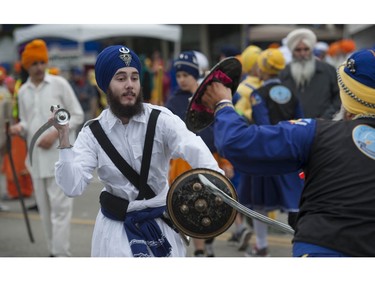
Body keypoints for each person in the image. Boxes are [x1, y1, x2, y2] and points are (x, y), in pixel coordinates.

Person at [52, 45, 224, 257]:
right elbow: (72, 186)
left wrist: (218, 185)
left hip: (162, 227)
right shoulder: (92, 133)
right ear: (105, 85)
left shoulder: (162, 119)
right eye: (121, 78)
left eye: (134, 77)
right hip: (115, 233)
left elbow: (194, 147)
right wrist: (63, 138)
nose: (130, 85)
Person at [201, 48, 375, 257]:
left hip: (323, 250)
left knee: (260, 206)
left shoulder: (317, 133)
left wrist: (223, 104)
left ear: (347, 94)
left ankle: (261, 245)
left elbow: (238, 142)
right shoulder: (297, 103)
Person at [9, 39, 84, 257]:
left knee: (60, 211)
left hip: (59, 158)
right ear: (26, 66)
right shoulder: (23, 91)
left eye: (42, 62)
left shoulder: (59, 84)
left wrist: (55, 134)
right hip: (35, 161)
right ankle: (53, 252)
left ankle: (60, 255)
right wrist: (18, 128)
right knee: (45, 211)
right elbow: (27, 121)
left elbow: (77, 115)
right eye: (34, 63)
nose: (39, 67)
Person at [165, 51, 234, 257]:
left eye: (186, 75)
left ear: (195, 75)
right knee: (191, 205)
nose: (182, 79)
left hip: (211, 158)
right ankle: (200, 251)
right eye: (178, 76)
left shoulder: (207, 98)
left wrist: (226, 160)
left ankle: (209, 240)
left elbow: (219, 130)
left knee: (215, 205)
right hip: (182, 164)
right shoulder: (173, 103)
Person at [241, 48, 304, 257]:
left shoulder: (258, 94)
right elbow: (300, 120)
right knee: (294, 200)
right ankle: (302, 245)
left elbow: (263, 125)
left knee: (260, 203)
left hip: (265, 154)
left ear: (262, 69)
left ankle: (262, 246)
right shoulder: (292, 92)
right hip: (290, 152)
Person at [227, 45, 262, 251]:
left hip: (253, 142)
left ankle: (245, 231)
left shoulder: (248, 87)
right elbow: (237, 114)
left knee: (243, 191)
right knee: (239, 189)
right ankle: (243, 231)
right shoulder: (241, 89)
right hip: (247, 142)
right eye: (256, 63)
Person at [279, 28, 341, 119]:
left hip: (323, 125)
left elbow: (338, 97)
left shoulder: (328, 70)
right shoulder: (284, 73)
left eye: (306, 49)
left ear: (311, 50)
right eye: (298, 50)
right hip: (293, 126)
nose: (303, 53)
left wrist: (326, 117)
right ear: (292, 51)